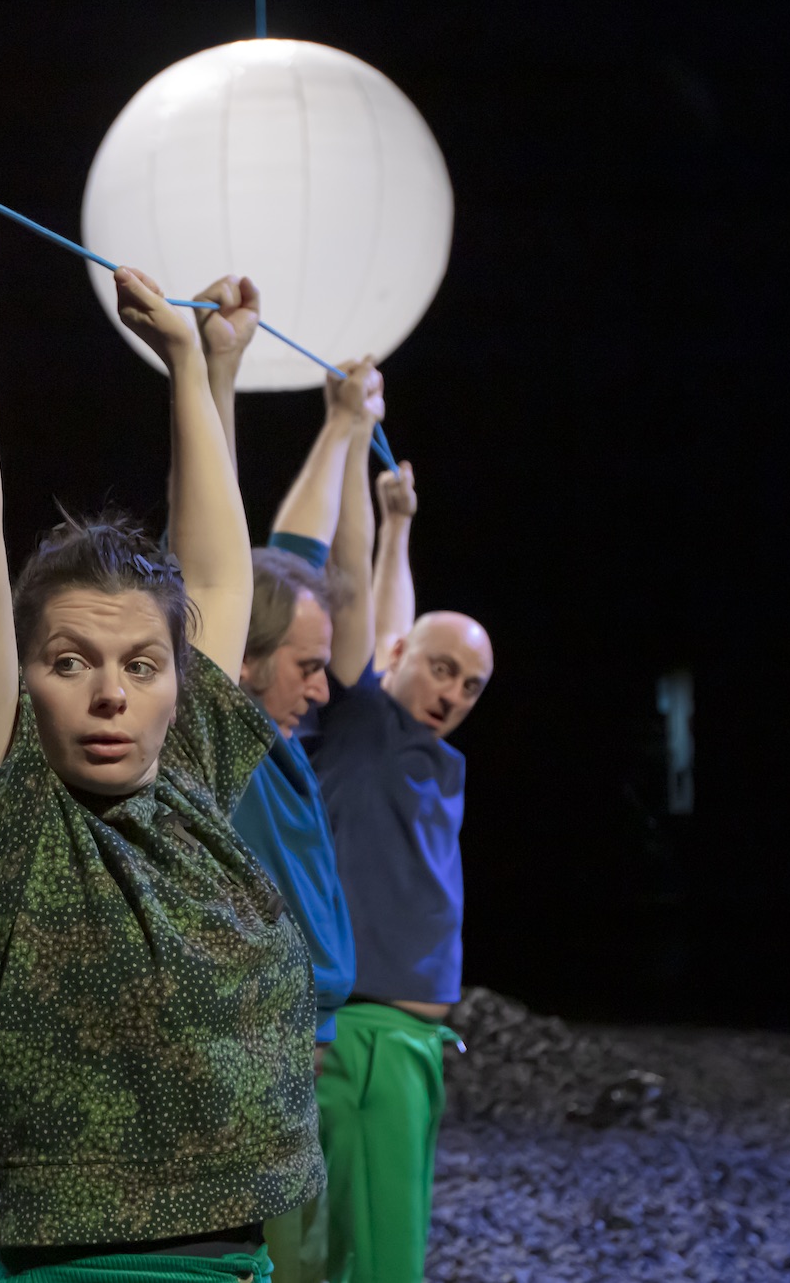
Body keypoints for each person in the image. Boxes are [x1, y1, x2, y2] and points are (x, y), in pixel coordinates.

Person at [0, 158, 321, 1282]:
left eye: (141, 664)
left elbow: (217, 581)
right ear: (22, 677)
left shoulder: (186, 775)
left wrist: (189, 365)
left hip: (240, 1262)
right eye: (70, 661)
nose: (111, 693)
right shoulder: (10, 814)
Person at [200, 279, 369, 1283]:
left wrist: (341, 429)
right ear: (245, 656)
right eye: (306, 664)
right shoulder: (227, 740)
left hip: (305, 1061)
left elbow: (290, 554)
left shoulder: (282, 744)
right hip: (256, 1075)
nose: (324, 682)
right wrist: (215, 375)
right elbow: (213, 561)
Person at [304, 406, 495, 1283]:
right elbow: (364, 602)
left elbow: (397, 624)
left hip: (406, 1050)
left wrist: (400, 524)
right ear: (398, 657)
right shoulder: (364, 728)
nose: (453, 692)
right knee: (365, 1266)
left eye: (472, 684)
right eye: (442, 668)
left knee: (371, 1257)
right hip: (365, 1039)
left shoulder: (423, 751)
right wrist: (349, 437)